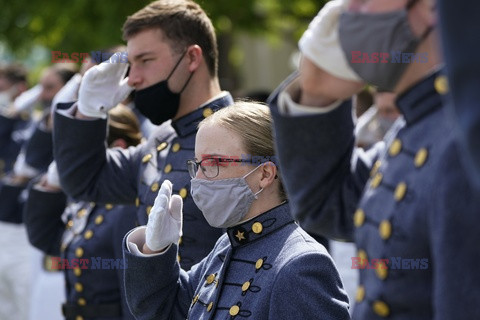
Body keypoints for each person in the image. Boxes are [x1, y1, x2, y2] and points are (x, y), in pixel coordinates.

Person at [268, 0, 480, 318]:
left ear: (433, 8)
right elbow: (326, 204)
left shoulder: (459, 141)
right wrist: (317, 95)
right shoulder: (417, 123)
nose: (347, 10)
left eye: (365, 0)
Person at [122, 102, 350, 319]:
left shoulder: (301, 265)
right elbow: (162, 311)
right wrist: (155, 250)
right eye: (197, 165)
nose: (199, 179)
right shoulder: (227, 245)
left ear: (265, 174)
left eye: (215, 162)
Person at [53, 0, 233, 271]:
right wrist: (88, 112)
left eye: (145, 61)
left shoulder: (247, 136)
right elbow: (84, 181)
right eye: (130, 63)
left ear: (192, 58)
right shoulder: (162, 141)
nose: (132, 78)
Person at [25, 104, 140, 320]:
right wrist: (50, 185)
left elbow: (132, 291)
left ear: (118, 148)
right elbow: (48, 239)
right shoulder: (90, 203)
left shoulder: (127, 206)